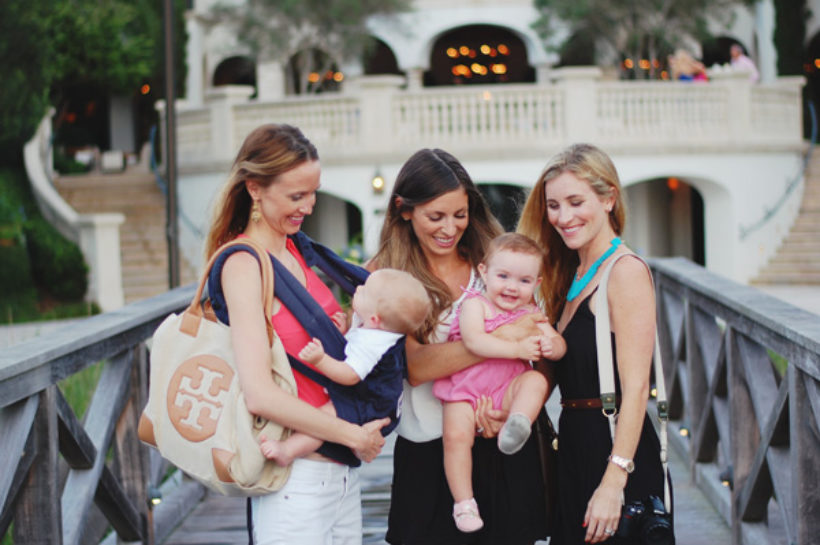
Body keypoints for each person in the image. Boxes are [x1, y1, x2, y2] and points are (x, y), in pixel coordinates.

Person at [203, 123, 389, 545]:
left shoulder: (296, 250)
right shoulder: (244, 265)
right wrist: (353, 434)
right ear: (254, 188)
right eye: (296, 196)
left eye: (313, 192)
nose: (308, 206)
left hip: (339, 472)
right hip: (293, 476)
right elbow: (260, 394)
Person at [369, 148, 549, 545]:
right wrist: (500, 340)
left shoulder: (494, 262)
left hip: (498, 441)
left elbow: (536, 339)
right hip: (429, 450)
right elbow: (416, 366)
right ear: (404, 210)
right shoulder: (385, 276)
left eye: (460, 215)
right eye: (436, 216)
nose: (450, 228)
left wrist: (513, 409)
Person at [518, 142, 671, 544]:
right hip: (574, 447)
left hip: (615, 450)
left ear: (608, 199)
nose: (563, 217)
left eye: (575, 201)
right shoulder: (569, 272)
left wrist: (614, 478)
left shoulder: (624, 272)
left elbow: (637, 389)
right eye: (553, 205)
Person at [432, 232, 566, 533]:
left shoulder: (531, 312)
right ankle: (464, 503)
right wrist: (518, 349)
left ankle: (518, 421)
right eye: (503, 276)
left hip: (507, 391)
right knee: (455, 437)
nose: (511, 287)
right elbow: (474, 342)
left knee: (533, 380)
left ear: (537, 284)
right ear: (484, 272)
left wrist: (551, 346)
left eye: (523, 280)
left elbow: (559, 346)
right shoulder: (475, 306)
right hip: (465, 392)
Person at [259, 268, 431, 466]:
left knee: (325, 419)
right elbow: (356, 349)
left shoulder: (374, 343)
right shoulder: (378, 326)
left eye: (365, 291)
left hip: (372, 405)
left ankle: (288, 450)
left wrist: (320, 360)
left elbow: (350, 375)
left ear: (375, 319)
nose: (358, 288)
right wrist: (345, 333)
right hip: (374, 398)